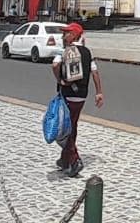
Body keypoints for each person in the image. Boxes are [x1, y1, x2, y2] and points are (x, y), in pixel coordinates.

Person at [50, 22, 104, 178]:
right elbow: (95, 72)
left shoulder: (66, 51)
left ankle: (74, 160)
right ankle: (64, 159)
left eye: (66, 33)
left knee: (65, 128)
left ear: (74, 35)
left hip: (67, 93)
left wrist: (60, 80)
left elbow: (54, 65)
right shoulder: (87, 52)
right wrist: (99, 92)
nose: (63, 36)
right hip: (81, 95)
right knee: (72, 125)